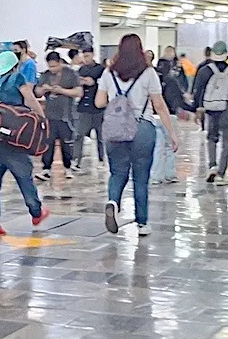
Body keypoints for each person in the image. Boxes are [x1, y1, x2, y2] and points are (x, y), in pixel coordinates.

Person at [96, 34, 179, 236]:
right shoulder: (149, 73)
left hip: (116, 129)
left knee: (117, 172)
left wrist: (117, 102)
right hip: (142, 127)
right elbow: (159, 105)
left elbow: (99, 102)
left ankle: (113, 202)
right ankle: (142, 223)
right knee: (141, 178)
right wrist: (172, 133)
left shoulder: (109, 73)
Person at [0, 51, 50, 237]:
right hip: (14, 139)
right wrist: (42, 118)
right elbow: (29, 98)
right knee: (25, 178)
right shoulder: (17, 77)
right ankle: (36, 213)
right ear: (15, 64)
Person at [193, 41, 228, 185]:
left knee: (211, 137)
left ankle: (212, 165)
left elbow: (198, 90)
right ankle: (221, 174)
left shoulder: (205, 70)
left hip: (210, 108)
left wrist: (198, 108)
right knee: (227, 140)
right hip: (227, 108)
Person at [35, 51, 82, 181]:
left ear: (60, 62)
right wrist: (44, 89)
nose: (52, 69)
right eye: (50, 66)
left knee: (66, 143)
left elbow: (78, 92)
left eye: (55, 66)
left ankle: (67, 167)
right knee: (48, 143)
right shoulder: (45, 75)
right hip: (50, 115)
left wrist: (61, 91)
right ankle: (46, 169)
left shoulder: (70, 74)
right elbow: (37, 92)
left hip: (66, 115)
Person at [151, 57, 184, 184]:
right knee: (170, 146)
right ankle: (170, 174)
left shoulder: (152, 80)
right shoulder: (172, 81)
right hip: (169, 115)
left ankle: (156, 175)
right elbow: (178, 99)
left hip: (154, 116)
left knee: (158, 147)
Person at [73, 47, 105, 171]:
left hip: (98, 107)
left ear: (92, 55)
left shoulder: (101, 70)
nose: (85, 59)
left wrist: (93, 82)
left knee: (100, 136)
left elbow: (101, 84)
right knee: (79, 134)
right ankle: (76, 160)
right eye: (83, 56)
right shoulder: (81, 69)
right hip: (83, 107)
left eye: (87, 56)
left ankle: (102, 159)